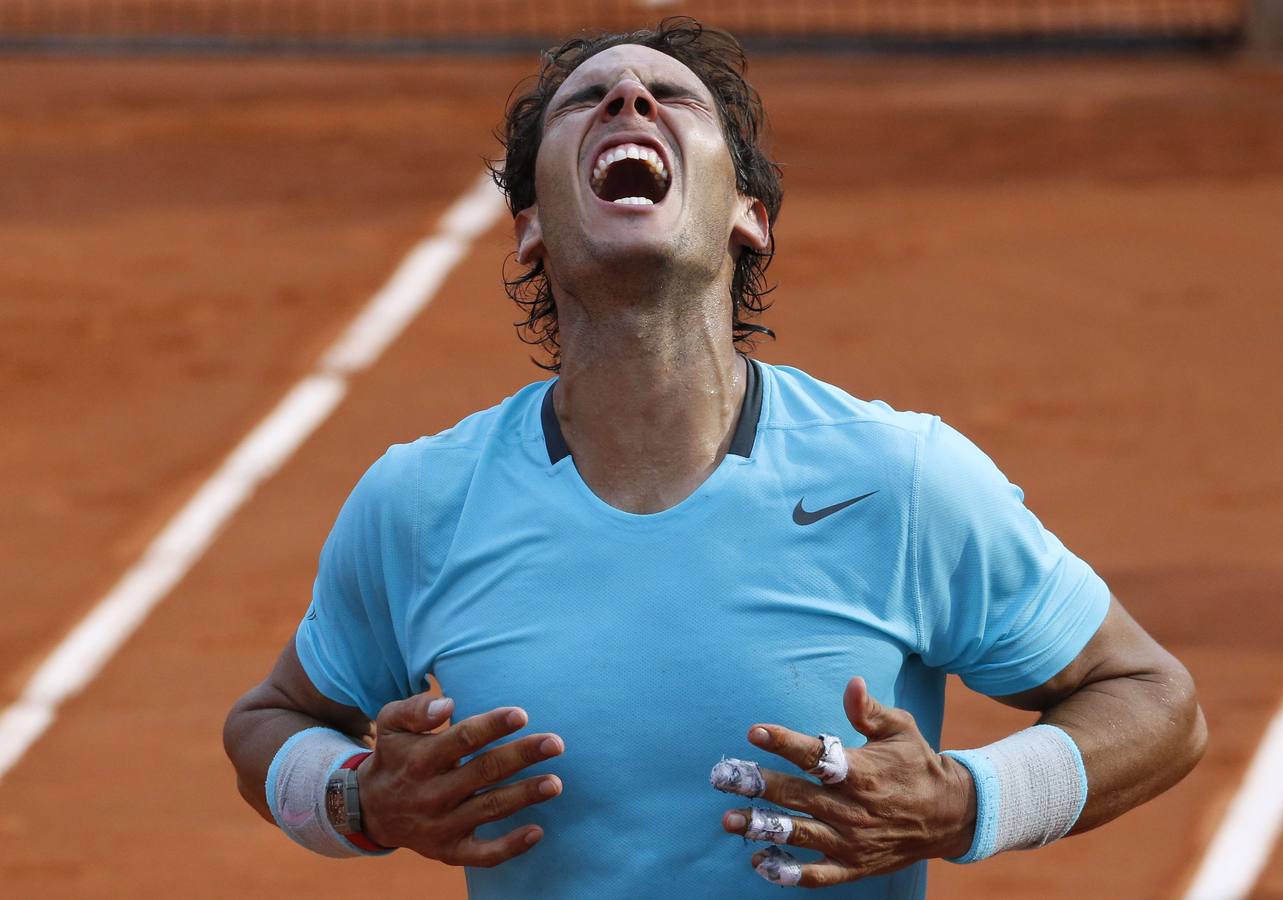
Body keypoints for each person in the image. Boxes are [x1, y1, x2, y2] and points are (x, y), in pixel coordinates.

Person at [223, 18, 1206, 898]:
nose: (628, 99)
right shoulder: (420, 502)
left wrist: (968, 801)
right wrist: (358, 801)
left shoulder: (899, 480)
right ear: (528, 228)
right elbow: (268, 721)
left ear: (750, 216)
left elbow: (1156, 702)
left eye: (673, 98)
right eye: (587, 101)